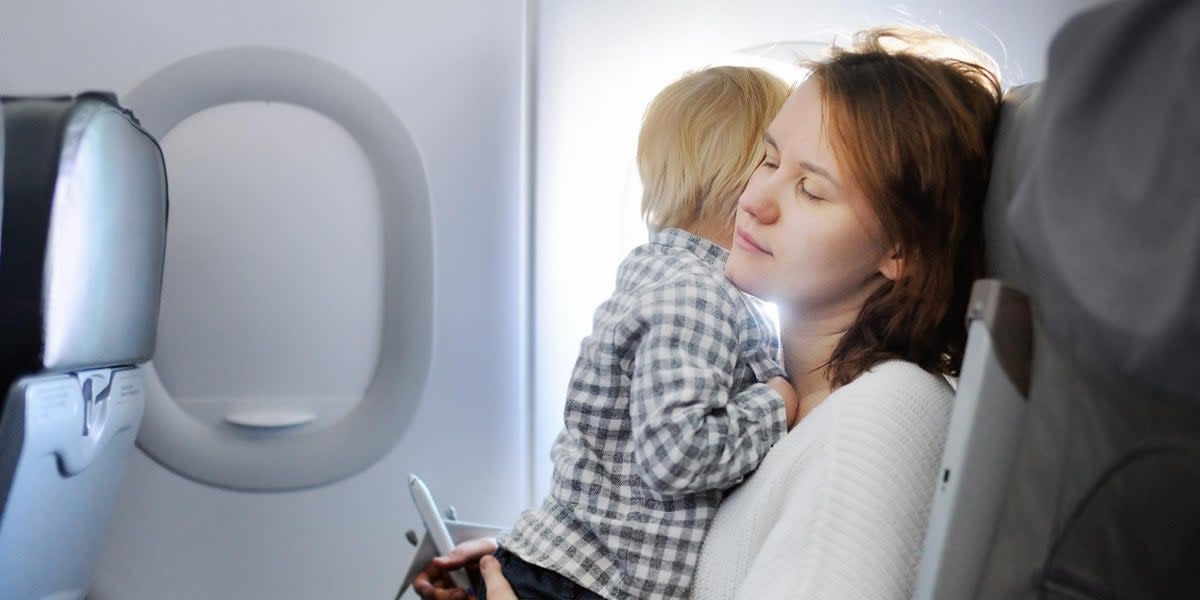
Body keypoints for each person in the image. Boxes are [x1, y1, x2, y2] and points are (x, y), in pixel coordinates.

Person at [415, 26, 1002, 600]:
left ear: (902, 248)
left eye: (812, 189)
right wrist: (522, 561)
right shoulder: (772, 389)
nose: (754, 200)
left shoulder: (882, 416)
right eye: (768, 160)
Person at [449, 65, 795, 600]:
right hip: (588, 585)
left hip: (568, 572)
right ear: (744, 178)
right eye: (773, 163)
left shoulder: (658, 271)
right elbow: (676, 454)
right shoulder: (699, 297)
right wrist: (775, 404)